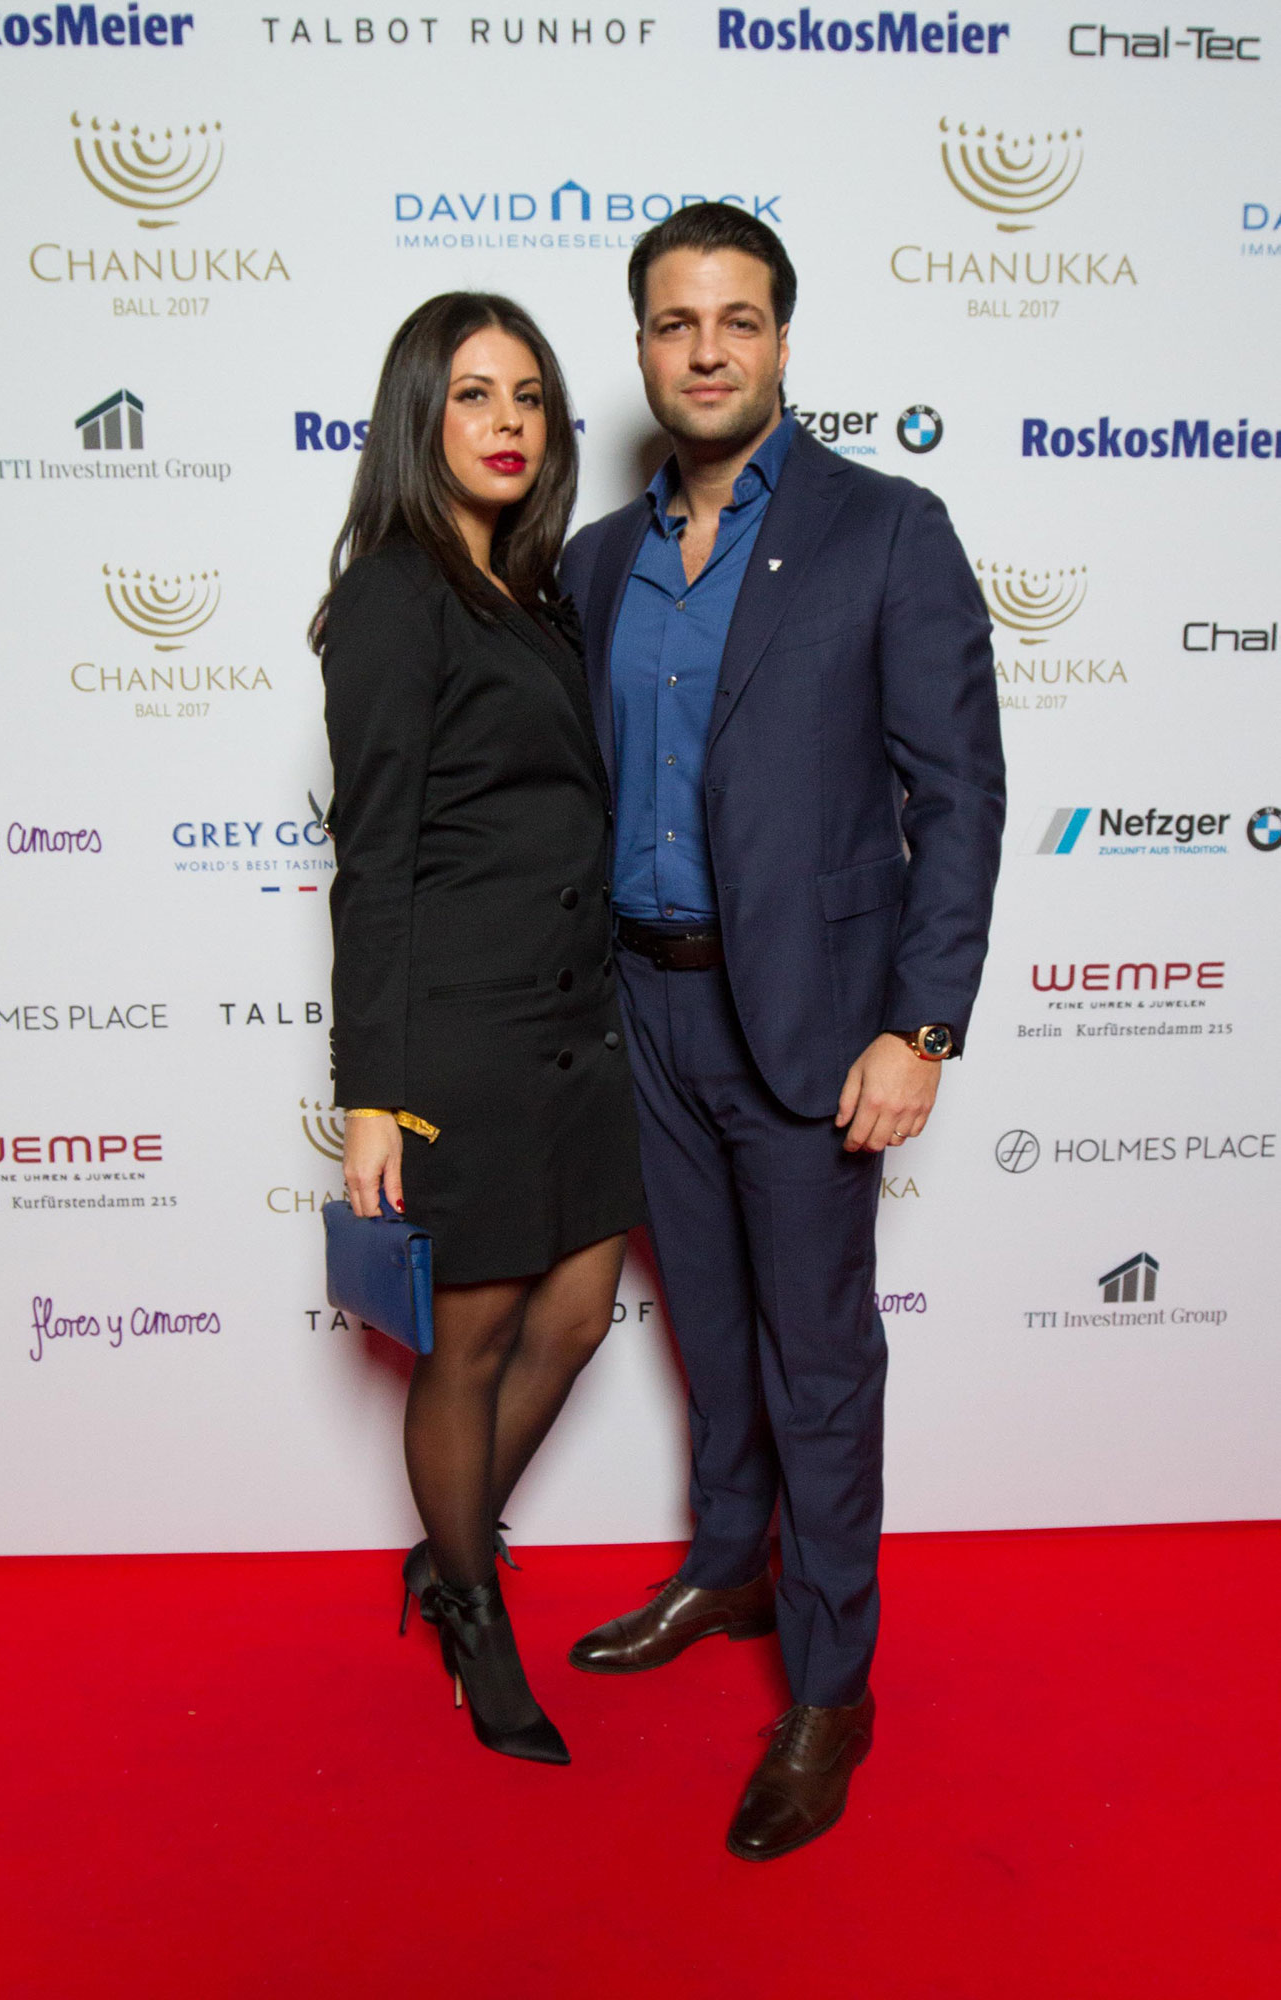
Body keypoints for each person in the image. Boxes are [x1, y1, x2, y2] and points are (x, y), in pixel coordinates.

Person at [560, 207, 1005, 1857]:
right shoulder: (594, 562)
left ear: (781, 341)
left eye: (736, 320)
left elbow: (957, 798)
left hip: (815, 1029)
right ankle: (726, 1570)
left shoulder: (884, 530)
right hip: (642, 1012)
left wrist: (920, 1028)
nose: (705, 350)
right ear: (641, 346)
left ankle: (828, 1688)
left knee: (816, 1362)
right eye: (675, 323)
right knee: (709, 1332)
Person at [314, 291, 644, 1767]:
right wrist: (372, 1092)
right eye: (471, 395)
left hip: (577, 1014)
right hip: (460, 1031)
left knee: (572, 1316)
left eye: (526, 397)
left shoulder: (531, 589)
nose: (506, 423)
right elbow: (373, 856)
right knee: (473, 1338)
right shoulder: (396, 593)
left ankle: (445, 1550)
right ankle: (471, 1601)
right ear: (418, 416)